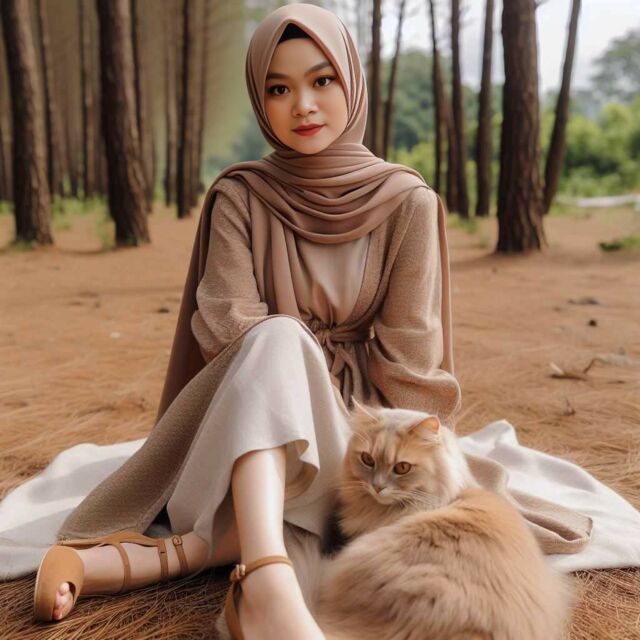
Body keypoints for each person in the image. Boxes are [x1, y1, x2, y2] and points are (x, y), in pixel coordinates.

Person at [11, 4, 599, 640]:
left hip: (354, 436)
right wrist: (291, 368)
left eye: (322, 80)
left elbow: (410, 362)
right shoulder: (241, 195)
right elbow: (227, 330)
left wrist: (400, 446)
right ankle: (267, 579)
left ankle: (128, 566)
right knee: (275, 340)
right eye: (278, 89)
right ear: (260, 100)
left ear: (352, 81)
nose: (303, 105)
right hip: (250, 409)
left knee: (310, 473)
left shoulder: (407, 202)